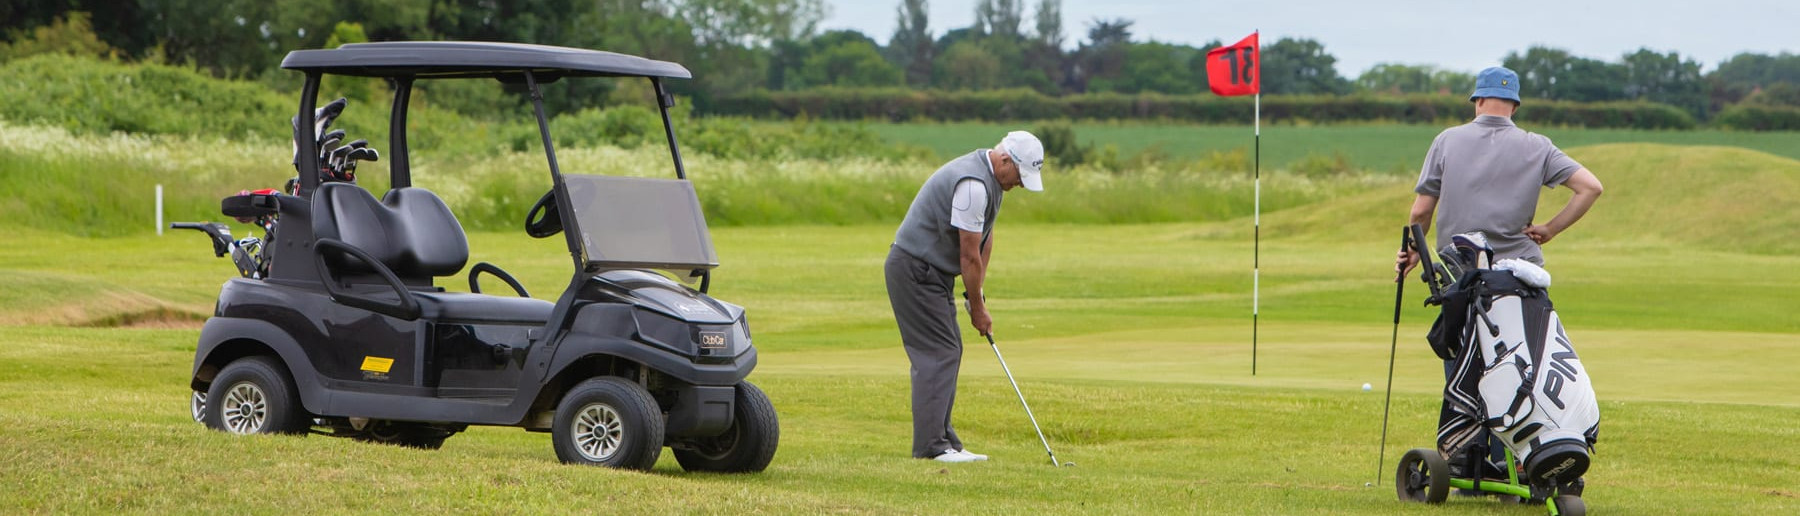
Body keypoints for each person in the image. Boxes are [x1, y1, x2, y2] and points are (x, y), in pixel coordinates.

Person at [1395, 66, 1604, 485]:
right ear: (1515, 104)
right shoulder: (1537, 146)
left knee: (1467, 359)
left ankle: (1464, 453)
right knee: (1520, 361)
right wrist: (1550, 229)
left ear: (1477, 100)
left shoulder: (1448, 140)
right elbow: (1590, 187)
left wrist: (1412, 253)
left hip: (1464, 275)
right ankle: (1527, 453)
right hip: (1522, 278)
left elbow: (1420, 212)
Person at [885, 131, 1045, 463]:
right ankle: (932, 447)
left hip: (931, 272)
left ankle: (945, 440)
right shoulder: (972, 185)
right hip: (916, 269)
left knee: (948, 349)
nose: (1020, 184)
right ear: (1004, 161)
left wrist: (977, 297)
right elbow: (968, 255)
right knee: (939, 351)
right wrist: (978, 309)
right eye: (1020, 176)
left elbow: (985, 238)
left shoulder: (994, 183)